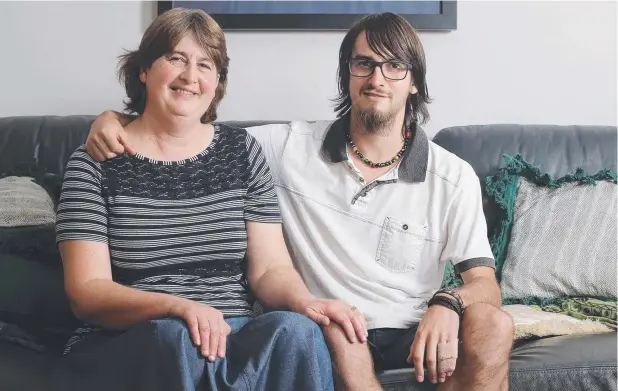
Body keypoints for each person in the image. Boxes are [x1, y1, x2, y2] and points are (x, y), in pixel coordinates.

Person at [85, 11, 515, 391]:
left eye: (394, 66)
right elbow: (186, 129)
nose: (377, 78)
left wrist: (448, 303)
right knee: (335, 330)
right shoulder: (288, 146)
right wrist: (119, 119)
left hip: (415, 328)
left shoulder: (451, 174)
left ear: (415, 81)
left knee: (494, 324)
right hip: (335, 326)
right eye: (363, 63)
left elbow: (485, 285)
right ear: (347, 75)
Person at [51, 8, 368, 391]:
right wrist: (178, 307)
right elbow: (87, 292)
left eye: (206, 65)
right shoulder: (96, 162)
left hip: (232, 331)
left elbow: (270, 270)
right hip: (139, 338)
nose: (190, 76)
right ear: (144, 70)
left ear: (217, 82)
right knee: (175, 338)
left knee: (296, 331)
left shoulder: (241, 151)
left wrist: (304, 302)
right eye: (176, 59)